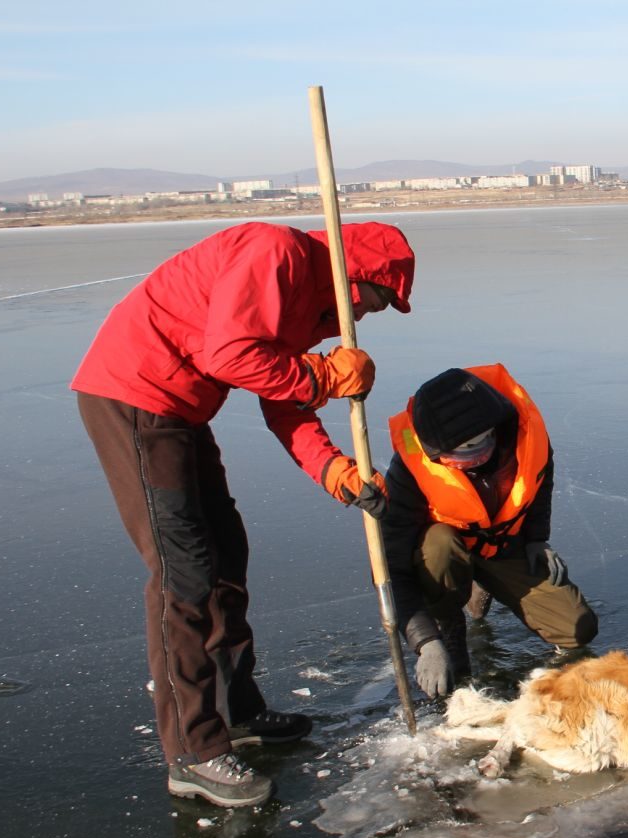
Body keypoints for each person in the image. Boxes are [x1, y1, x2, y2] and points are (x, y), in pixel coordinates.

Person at [71, 220, 416, 808]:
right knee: (183, 575)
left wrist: (335, 470)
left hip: (180, 410)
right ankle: (192, 751)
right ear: (350, 276)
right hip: (135, 396)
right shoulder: (274, 253)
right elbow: (231, 355)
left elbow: (284, 401)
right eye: (373, 301)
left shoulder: (307, 297)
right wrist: (322, 375)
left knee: (225, 551)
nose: (363, 318)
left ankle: (237, 710)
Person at [376, 364, 597, 698]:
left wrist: (538, 538)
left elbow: (539, 484)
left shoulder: (526, 437)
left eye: (477, 449)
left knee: (576, 628)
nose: (471, 461)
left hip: (503, 546)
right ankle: (447, 620)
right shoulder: (409, 470)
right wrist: (426, 641)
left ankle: (483, 582)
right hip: (444, 557)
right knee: (439, 542)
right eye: (457, 456)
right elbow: (393, 568)